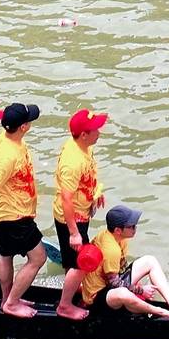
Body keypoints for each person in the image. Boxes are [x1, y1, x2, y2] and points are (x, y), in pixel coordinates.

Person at [0, 101, 45, 318]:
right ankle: (11, 303)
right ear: (23, 127)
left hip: (9, 210)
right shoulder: (9, 156)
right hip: (15, 216)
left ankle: (8, 298)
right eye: (29, 121)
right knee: (38, 258)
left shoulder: (5, 138)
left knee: (7, 255)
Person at [85, 203, 169, 317]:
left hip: (108, 283)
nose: (135, 228)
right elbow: (114, 283)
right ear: (118, 230)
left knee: (150, 261)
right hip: (99, 295)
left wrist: (134, 284)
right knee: (123, 294)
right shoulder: (111, 249)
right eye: (131, 226)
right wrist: (141, 290)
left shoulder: (119, 238)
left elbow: (122, 268)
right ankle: (160, 311)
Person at [54, 107, 107, 275]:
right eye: (95, 130)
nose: (99, 132)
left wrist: (96, 192)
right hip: (71, 218)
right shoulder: (73, 162)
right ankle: (66, 301)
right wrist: (74, 233)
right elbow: (66, 198)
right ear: (84, 135)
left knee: (75, 259)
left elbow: (87, 175)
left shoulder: (84, 147)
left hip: (82, 212)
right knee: (79, 264)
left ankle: (71, 289)